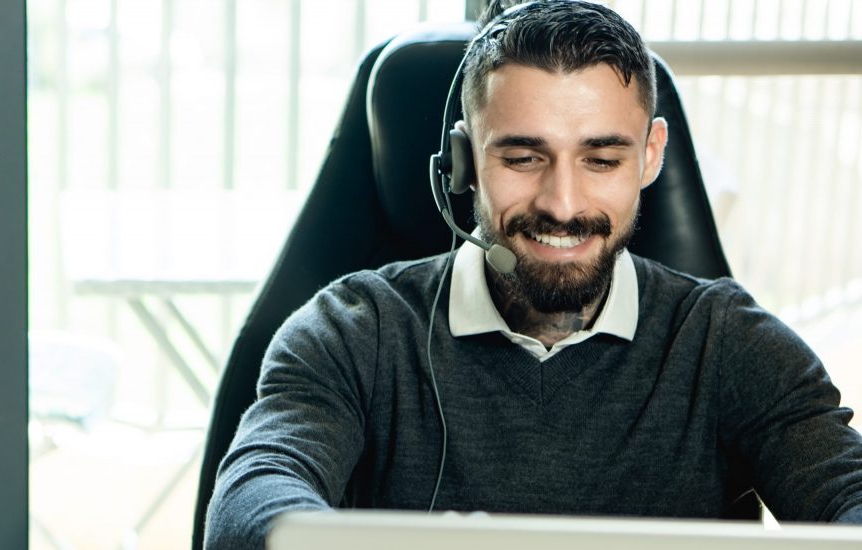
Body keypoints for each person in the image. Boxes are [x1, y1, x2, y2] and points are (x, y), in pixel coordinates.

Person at [204, 1, 862, 548]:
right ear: (462, 162)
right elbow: (255, 495)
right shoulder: (354, 330)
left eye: (601, 159)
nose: (563, 204)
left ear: (650, 157)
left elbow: (847, 492)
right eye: (523, 157)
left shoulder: (729, 342)